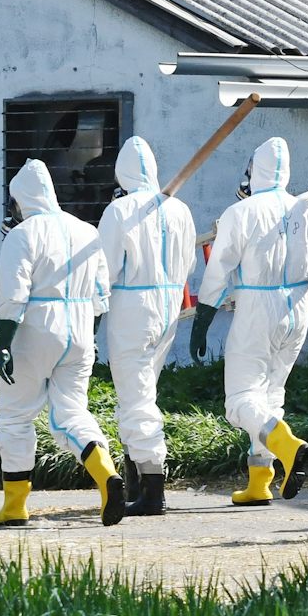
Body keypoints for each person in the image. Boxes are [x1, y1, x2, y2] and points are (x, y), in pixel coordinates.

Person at [190, 137, 308, 506]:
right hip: (299, 305)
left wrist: (202, 318)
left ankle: (286, 445)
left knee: (240, 400)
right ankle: (259, 483)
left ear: (255, 171)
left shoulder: (241, 212)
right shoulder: (306, 209)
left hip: (257, 304)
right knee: (270, 396)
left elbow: (219, 269)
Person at [0, 159, 123, 527]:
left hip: (33, 330)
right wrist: (88, 337)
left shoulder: (22, 234)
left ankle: (14, 505)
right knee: (72, 413)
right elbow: (100, 293)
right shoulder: (85, 231)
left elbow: (12, 295)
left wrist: (2, 342)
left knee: (15, 416)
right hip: (78, 330)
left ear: (19, 201)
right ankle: (106, 473)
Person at [97, 137, 196, 517]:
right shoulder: (181, 210)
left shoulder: (119, 212)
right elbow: (188, 267)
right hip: (169, 304)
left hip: (131, 306)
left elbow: (104, 270)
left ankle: (153, 487)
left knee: (136, 397)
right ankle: (138, 478)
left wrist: (89, 314)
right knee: (142, 392)